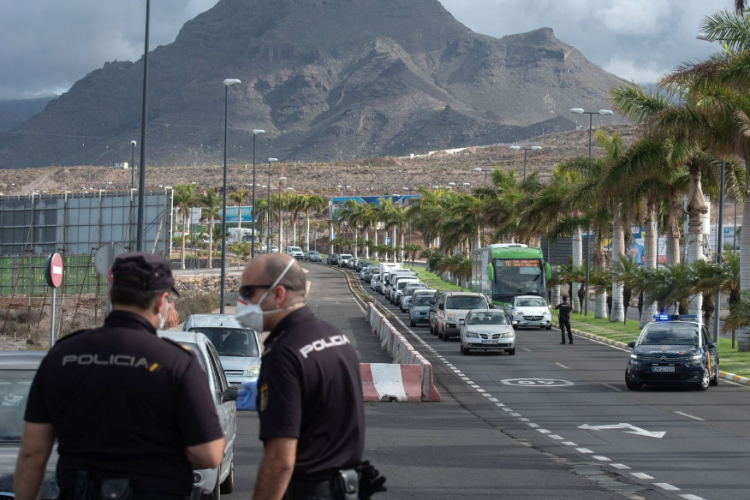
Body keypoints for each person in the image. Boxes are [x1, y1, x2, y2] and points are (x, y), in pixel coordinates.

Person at [15, 252, 225, 500]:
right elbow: (208, 454)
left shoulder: (62, 355)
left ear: (112, 295)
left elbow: (32, 452)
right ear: (161, 302)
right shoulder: (177, 362)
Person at [237, 254, 385, 500]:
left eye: (247, 292)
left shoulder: (284, 353)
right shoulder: (335, 338)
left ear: (278, 294)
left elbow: (281, 461)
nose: (241, 301)